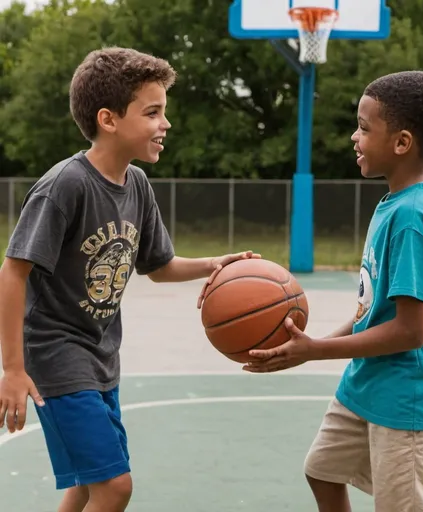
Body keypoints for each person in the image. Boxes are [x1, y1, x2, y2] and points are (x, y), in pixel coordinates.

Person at [0, 46, 259, 512]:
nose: (166, 124)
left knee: (87, 482)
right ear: (109, 119)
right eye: (153, 112)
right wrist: (13, 370)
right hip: (56, 353)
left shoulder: (136, 184)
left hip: (102, 355)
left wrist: (214, 263)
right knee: (115, 487)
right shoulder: (67, 185)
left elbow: (158, 267)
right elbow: (13, 271)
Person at [243, 70, 423, 512]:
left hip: (405, 397)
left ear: (401, 143)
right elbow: (372, 313)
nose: (354, 137)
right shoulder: (393, 204)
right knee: (322, 470)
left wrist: (316, 350)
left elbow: (409, 332)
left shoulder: (413, 218)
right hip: (367, 384)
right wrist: (312, 344)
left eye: (364, 127)